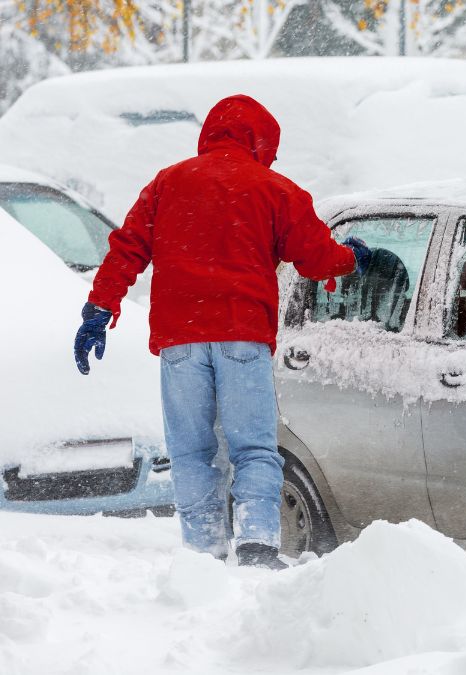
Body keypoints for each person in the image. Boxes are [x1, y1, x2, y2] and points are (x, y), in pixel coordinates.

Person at [72, 95, 372, 569]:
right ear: (261, 141)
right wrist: (351, 257)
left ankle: (202, 551)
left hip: (181, 341)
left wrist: (98, 308)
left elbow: (126, 248)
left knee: (191, 451)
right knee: (253, 447)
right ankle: (256, 544)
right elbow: (316, 258)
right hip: (242, 336)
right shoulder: (274, 189)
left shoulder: (168, 183)